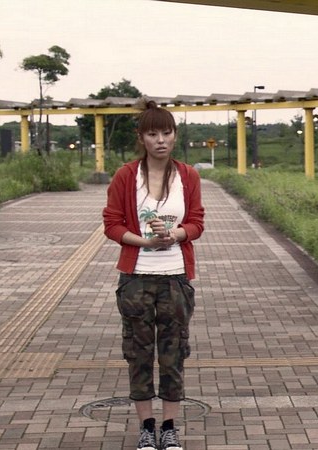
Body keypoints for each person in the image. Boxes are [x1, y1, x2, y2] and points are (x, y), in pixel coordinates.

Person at [103, 100, 205, 450]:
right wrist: (144, 242)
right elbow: (112, 224)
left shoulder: (188, 176)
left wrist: (176, 234)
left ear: (175, 135)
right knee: (138, 353)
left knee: (174, 353)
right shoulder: (126, 176)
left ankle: (170, 427)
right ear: (141, 138)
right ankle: (147, 427)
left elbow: (197, 222)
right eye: (152, 134)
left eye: (166, 132)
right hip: (137, 278)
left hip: (176, 277)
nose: (160, 140)